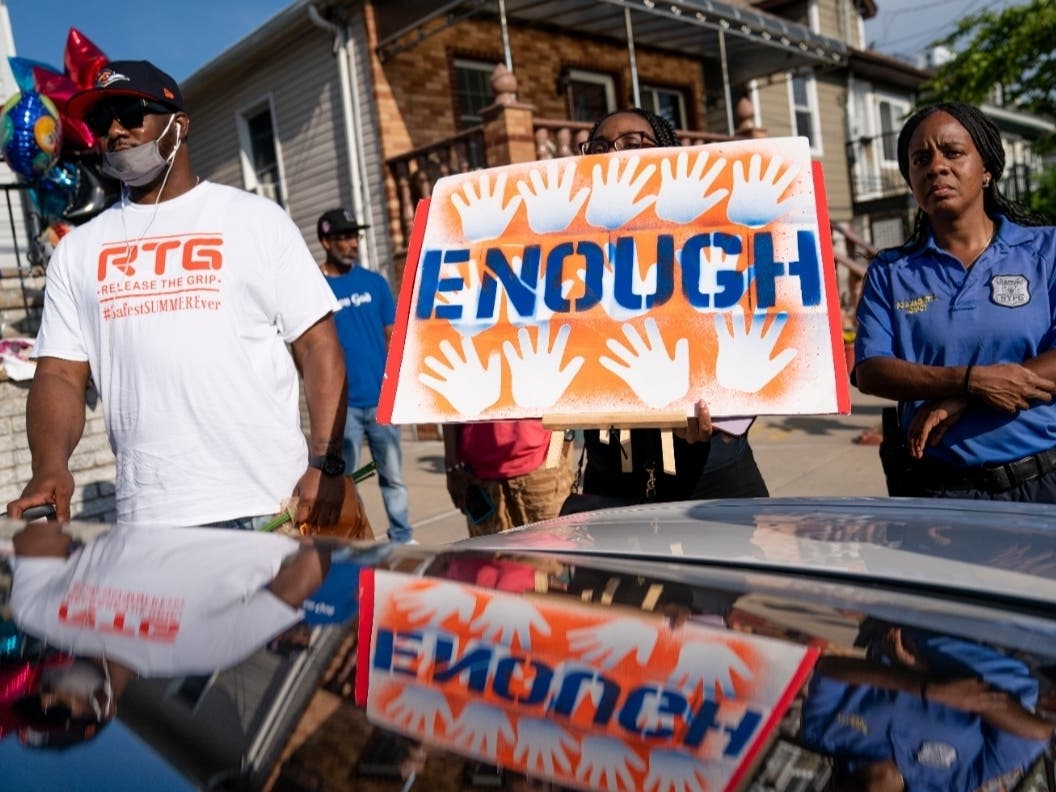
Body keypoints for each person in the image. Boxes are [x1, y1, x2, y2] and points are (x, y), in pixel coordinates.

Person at [4, 60, 350, 529]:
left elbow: (317, 346)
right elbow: (61, 376)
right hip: (150, 519)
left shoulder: (255, 220)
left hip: (268, 503)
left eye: (129, 113)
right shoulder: (79, 250)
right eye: (102, 121)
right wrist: (50, 466)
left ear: (178, 124)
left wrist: (324, 463)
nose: (115, 131)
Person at [564, 108, 769, 512]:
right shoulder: (568, 257)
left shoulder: (713, 238)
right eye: (600, 146)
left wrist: (723, 406)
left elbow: (751, 329)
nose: (614, 155)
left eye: (634, 143)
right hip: (612, 476)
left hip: (712, 475)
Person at [854, 101, 1056, 501]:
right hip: (939, 495)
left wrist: (962, 396)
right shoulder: (890, 272)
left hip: (1043, 483)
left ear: (987, 169)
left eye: (953, 152)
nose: (936, 167)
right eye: (920, 159)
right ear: (911, 181)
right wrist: (971, 381)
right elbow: (872, 371)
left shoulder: (1046, 250)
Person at [317, 209, 412, 542]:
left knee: (393, 477)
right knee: (345, 482)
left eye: (354, 236)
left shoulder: (375, 283)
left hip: (380, 401)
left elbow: (393, 337)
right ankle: (354, 538)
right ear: (326, 241)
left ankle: (401, 536)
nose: (351, 243)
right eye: (343, 237)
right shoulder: (316, 288)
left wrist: (398, 390)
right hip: (343, 408)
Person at [443, 420, 573, 536]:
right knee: (494, 561)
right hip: (481, 477)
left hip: (542, 467)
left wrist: (559, 447)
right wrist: (451, 464)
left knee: (551, 558)